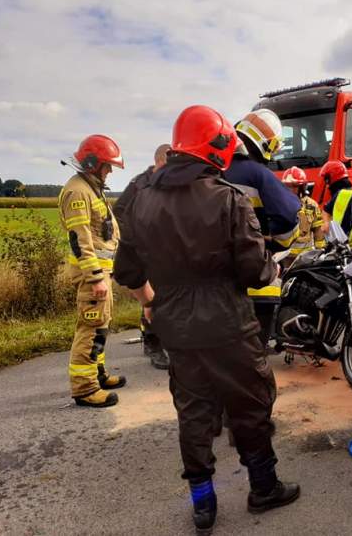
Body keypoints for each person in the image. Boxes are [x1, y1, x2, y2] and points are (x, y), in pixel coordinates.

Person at [113, 105, 300, 534]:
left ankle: (203, 504)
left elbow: (127, 271)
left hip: (175, 327)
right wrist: (274, 267)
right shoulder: (227, 199)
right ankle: (263, 488)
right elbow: (255, 271)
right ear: (215, 149)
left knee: (194, 412)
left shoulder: (141, 200)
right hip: (229, 325)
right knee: (250, 405)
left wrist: (150, 302)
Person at [58, 134, 127, 408]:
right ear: (92, 163)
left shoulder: (90, 187)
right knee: (90, 328)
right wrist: (95, 277)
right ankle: (85, 389)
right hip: (93, 275)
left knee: (100, 326)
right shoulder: (78, 191)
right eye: (107, 166)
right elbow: (80, 239)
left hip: (101, 273)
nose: (109, 171)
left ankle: (96, 375)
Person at [224, 108, 301, 346]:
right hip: (256, 283)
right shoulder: (257, 174)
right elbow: (289, 215)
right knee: (253, 357)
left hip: (214, 287)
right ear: (266, 144)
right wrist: (273, 242)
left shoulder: (211, 170)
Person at [114, 143, 171, 370]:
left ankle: (169, 340)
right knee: (151, 298)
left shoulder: (167, 181)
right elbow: (119, 212)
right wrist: (136, 239)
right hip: (144, 250)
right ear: (158, 162)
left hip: (165, 249)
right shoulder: (140, 183)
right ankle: (153, 344)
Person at [281, 166, 324, 261]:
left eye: (294, 186)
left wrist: (320, 251)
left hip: (304, 258)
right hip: (283, 257)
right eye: (287, 186)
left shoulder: (311, 205)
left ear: (302, 187)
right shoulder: (278, 203)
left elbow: (317, 230)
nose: (290, 190)